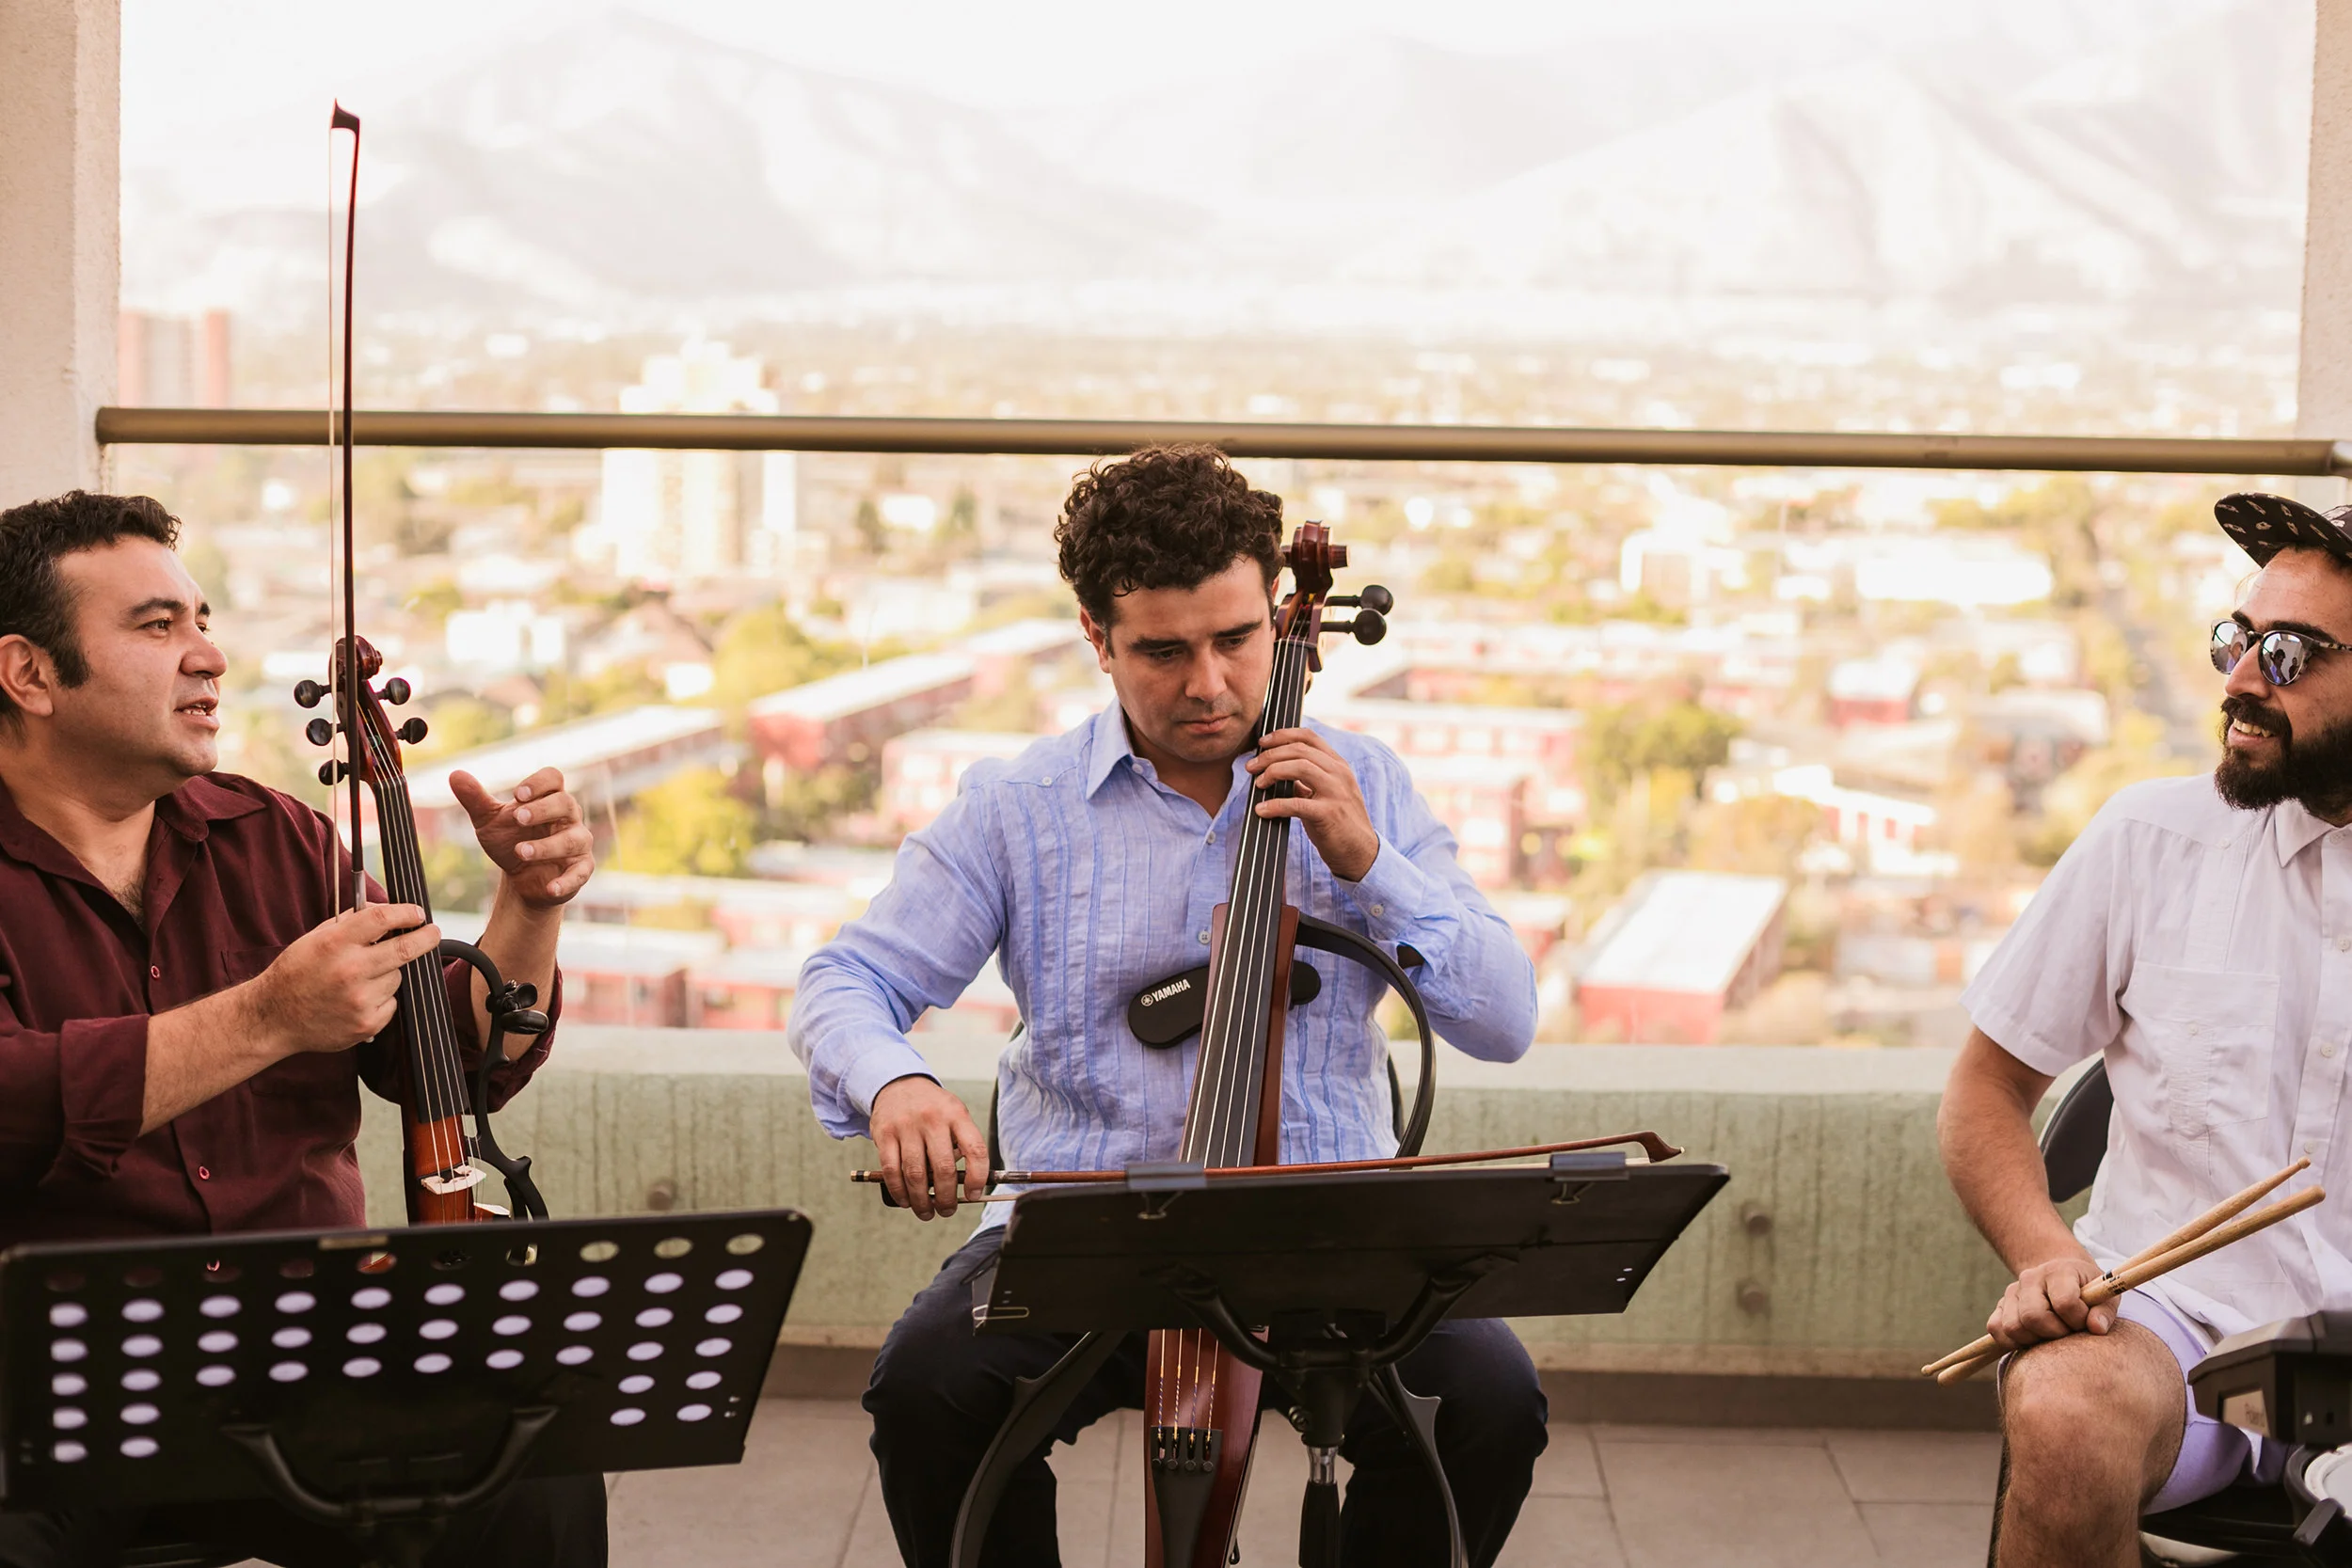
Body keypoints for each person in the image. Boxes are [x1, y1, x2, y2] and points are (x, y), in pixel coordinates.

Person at [790, 445, 1548, 1568]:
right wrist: (895, 1080)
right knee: (926, 1393)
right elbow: (844, 982)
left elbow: (1505, 1017)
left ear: (1277, 625)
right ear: (1096, 638)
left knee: (1491, 1404)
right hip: (1090, 1229)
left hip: (1328, 1227)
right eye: (1161, 650)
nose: (1209, 685)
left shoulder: (1366, 783)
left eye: (1237, 640)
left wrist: (1368, 859)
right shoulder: (1020, 806)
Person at [0, 491, 605, 1568]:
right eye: (157, 626)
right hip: (50, 1372)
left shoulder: (274, 835)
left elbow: (450, 1065)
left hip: (302, 1346)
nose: (209, 656)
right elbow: (16, 1102)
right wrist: (269, 1016)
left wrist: (528, 906)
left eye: (202, 620)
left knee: (533, 1465)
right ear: (29, 673)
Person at [1941, 489, 2352, 1565]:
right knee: (2066, 1413)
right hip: (2174, 1327)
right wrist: (2047, 1257)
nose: (2240, 678)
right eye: (2238, 636)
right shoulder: (2149, 839)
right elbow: (1984, 1091)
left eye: (2292, 653)